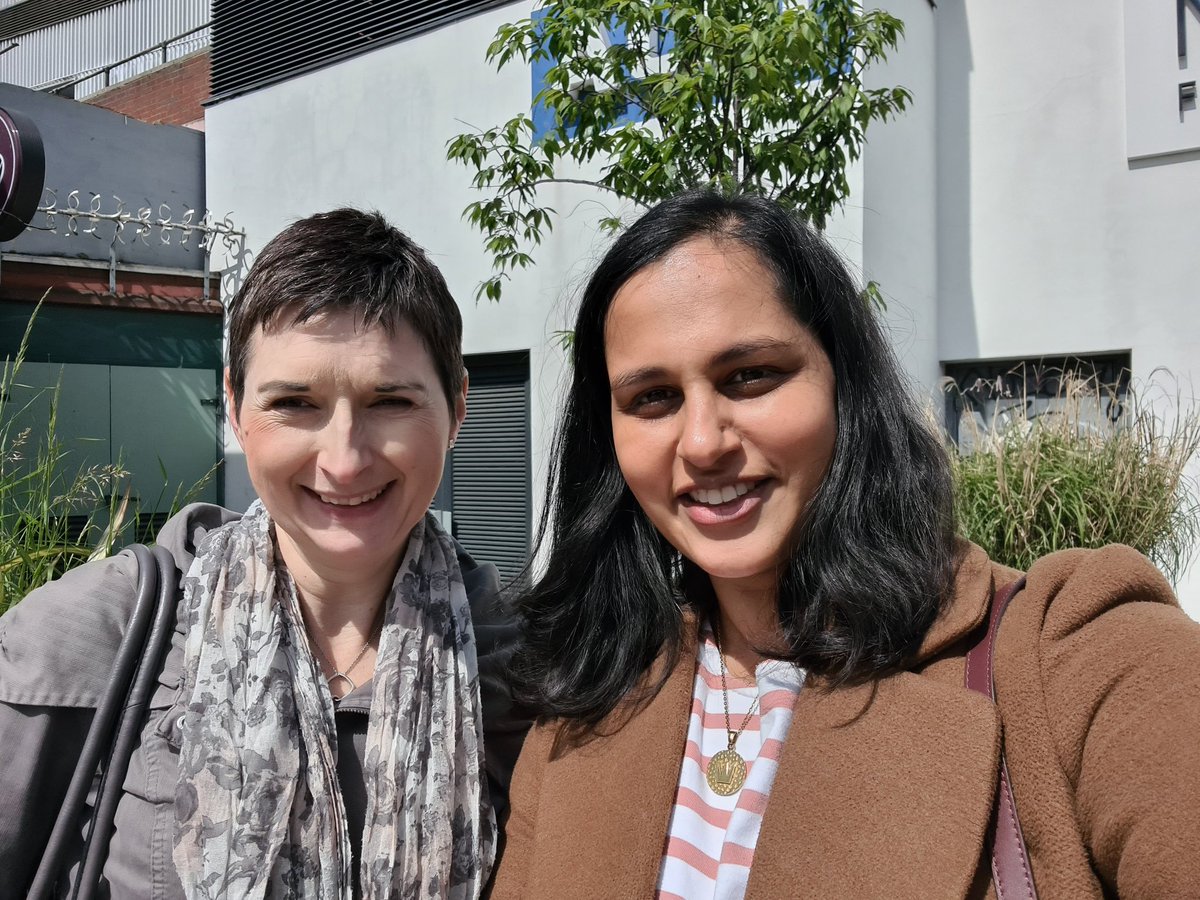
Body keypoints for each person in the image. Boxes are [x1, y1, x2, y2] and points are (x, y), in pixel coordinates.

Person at [489, 190, 1200, 899]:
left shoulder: (1068, 655)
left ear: (842, 382)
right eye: (652, 398)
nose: (702, 442)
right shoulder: (582, 707)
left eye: (751, 376)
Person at [0, 208, 528, 899]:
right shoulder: (99, 633)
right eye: (294, 404)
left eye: (390, 400)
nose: (343, 460)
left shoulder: (525, 669)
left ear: (457, 407)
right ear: (235, 406)